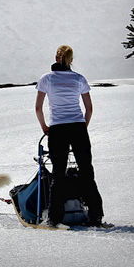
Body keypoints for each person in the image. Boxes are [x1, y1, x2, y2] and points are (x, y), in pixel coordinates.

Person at [35, 45, 105, 227]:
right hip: (78, 128)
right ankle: (96, 215)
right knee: (86, 171)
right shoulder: (79, 78)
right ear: (71, 60)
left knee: (58, 174)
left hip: (58, 129)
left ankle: (54, 219)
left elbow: (38, 107)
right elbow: (89, 108)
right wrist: (83, 127)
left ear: (56, 57)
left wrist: (45, 127)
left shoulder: (47, 79)